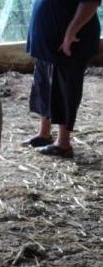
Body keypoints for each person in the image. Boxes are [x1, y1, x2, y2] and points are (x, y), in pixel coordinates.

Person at [22, 0, 101, 158]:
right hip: (48, 40)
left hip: (70, 40)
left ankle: (63, 144)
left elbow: (91, 2)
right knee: (44, 83)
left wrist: (71, 31)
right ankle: (44, 134)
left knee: (65, 87)